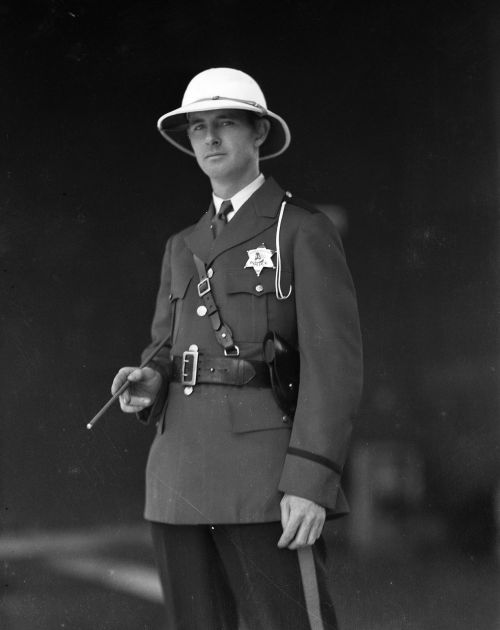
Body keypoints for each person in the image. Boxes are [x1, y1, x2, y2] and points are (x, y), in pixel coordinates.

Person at [111, 67, 363, 630]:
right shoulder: (183, 245)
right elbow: (165, 346)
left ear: (259, 136)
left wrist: (310, 482)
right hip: (178, 478)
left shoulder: (300, 231)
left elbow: (334, 366)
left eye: (225, 123)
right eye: (198, 127)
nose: (210, 138)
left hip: (264, 481)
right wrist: (150, 380)